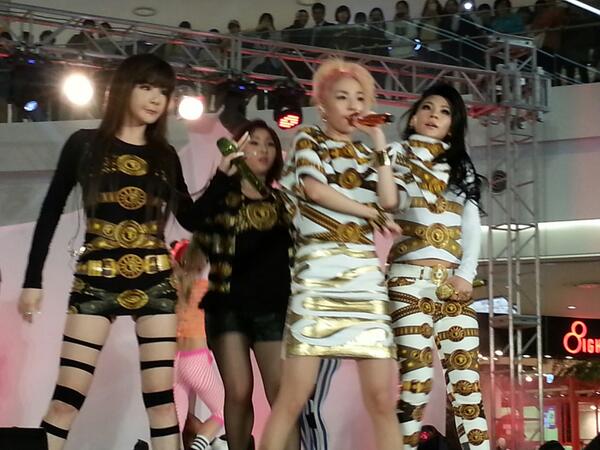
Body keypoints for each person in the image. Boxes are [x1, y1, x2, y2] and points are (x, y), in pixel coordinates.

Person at [17, 54, 192, 450]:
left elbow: (192, 218)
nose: (155, 99)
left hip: (156, 281)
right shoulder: (84, 144)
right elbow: (50, 211)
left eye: (163, 92)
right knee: (65, 402)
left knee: (163, 404)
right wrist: (32, 280)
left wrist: (225, 179)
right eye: (146, 87)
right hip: (96, 280)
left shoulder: (165, 155)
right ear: (124, 88)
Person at [259, 58, 403, 450]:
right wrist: (367, 212)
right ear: (322, 105)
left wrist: (378, 142)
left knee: (381, 399)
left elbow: (389, 200)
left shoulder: (366, 153)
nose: (353, 105)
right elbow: (314, 190)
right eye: (342, 97)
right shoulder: (308, 139)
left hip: (364, 277)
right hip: (318, 273)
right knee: (293, 396)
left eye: (360, 98)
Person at [388, 83, 487, 450]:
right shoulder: (394, 154)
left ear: (452, 125)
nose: (434, 115)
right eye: (427, 107)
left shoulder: (461, 166)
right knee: (415, 381)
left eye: (445, 112)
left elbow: (471, 225)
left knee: (467, 386)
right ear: (414, 117)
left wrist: (466, 274)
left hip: (452, 284)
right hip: (407, 282)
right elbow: (384, 203)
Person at [189, 119, 294, 450]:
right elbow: (193, 220)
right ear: (238, 148)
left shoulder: (284, 202)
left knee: (281, 394)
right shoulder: (222, 196)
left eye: (270, 144)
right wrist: (222, 174)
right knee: (237, 390)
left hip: (273, 308)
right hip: (227, 308)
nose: (263, 150)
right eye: (254, 142)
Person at [170, 240, 226, 450]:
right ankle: (199, 447)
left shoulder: (173, 291)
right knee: (223, 410)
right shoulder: (206, 289)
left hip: (175, 363)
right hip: (196, 361)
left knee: (173, 424)